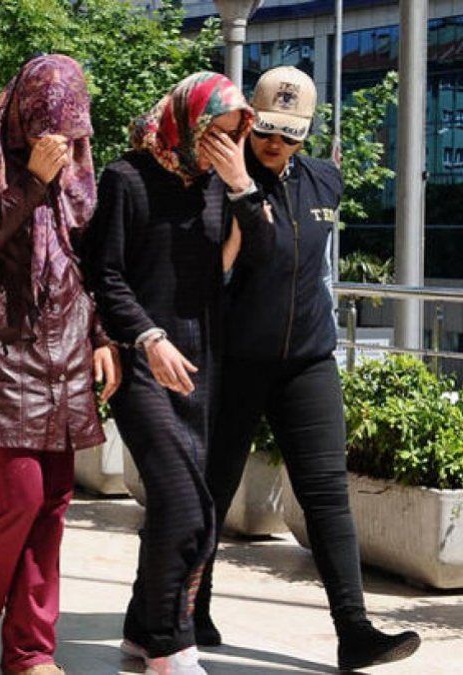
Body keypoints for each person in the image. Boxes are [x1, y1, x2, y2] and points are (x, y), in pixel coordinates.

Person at [198, 66, 421, 672]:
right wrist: (239, 186)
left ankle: (355, 630)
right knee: (211, 490)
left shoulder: (325, 179)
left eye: (290, 134)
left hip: (308, 360)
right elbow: (218, 267)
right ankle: (188, 608)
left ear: (307, 133)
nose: (275, 144)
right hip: (236, 360)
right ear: (250, 121)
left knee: (327, 495)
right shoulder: (216, 181)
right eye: (266, 130)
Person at [0, 55, 119, 675]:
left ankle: (31, 651)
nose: (60, 143)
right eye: (48, 130)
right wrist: (32, 182)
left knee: (53, 504)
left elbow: (86, 258)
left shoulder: (79, 164)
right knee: (18, 497)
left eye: (69, 132)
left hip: (66, 347)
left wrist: (102, 336)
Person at [84, 71, 255, 675]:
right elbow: (104, 275)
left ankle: (141, 631)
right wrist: (147, 337)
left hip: (201, 364)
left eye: (234, 136)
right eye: (216, 133)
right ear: (188, 121)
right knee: (186, 507)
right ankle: (170, 644)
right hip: (141, 363)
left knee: (179, 508)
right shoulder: (126, 178)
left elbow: (243, 261)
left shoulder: (218, 187)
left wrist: (240, 187)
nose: (223, 147)